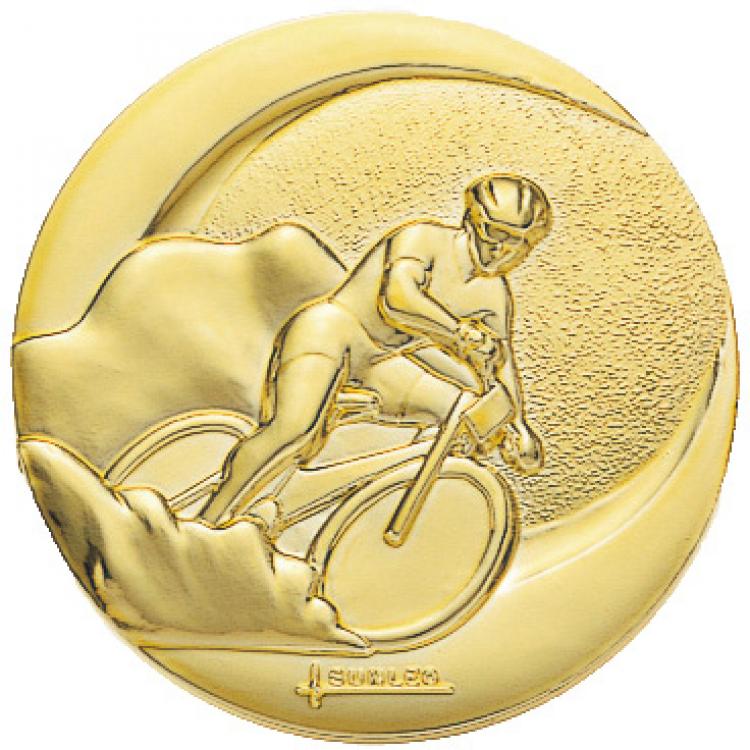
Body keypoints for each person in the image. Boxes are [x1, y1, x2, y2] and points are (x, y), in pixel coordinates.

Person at [199, 173, 552, 525]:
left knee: (459, 416)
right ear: (471, 220)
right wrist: (457, 333)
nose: (501, 250)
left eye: (516, 243)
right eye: (494, 234)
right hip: (331, 331)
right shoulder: (422, 238)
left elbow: (501, 362)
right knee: (294, 430)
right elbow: (398, 298)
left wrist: (517, 425)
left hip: (381, 360)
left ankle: (319, 505)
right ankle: (208, 517)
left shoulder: (493, 294)